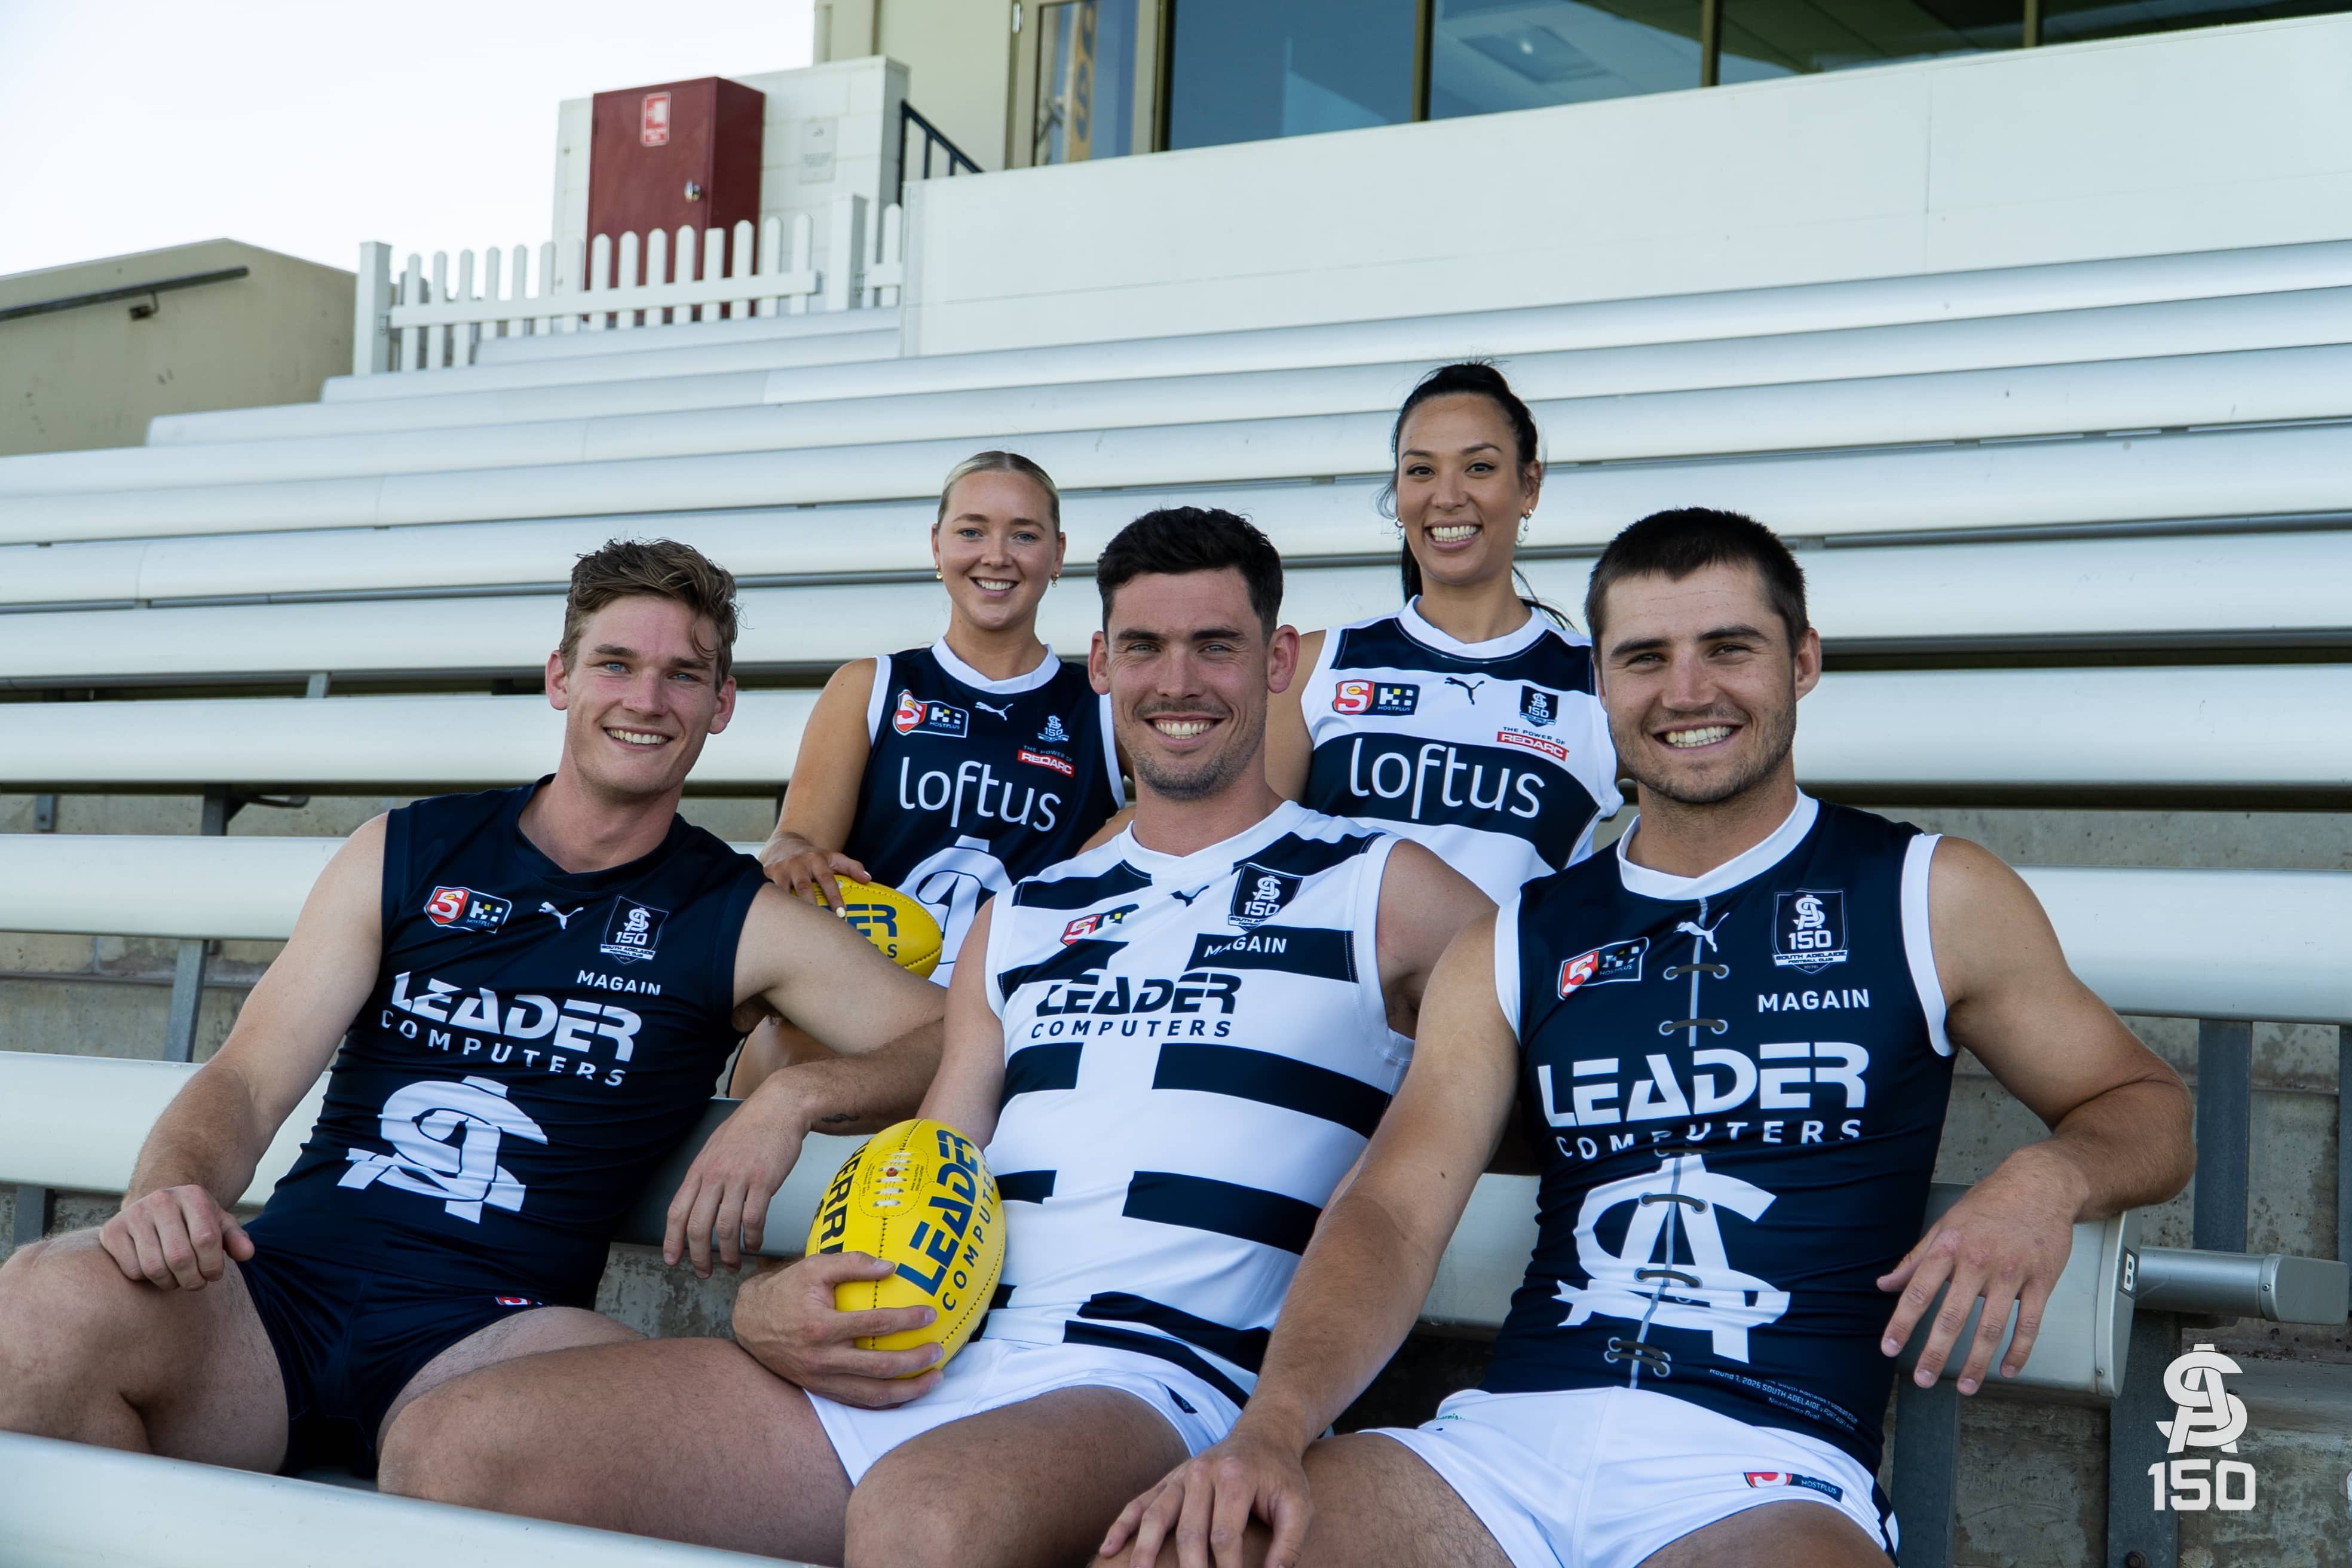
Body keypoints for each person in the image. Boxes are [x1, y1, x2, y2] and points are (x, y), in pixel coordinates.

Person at [376, 507, 1494, 1568]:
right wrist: (775, 1303)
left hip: (1158, 1379)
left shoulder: (1384, 888)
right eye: (1144, 647)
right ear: (1100, 665)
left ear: (1279, 660)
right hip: (932, 1350)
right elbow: (934, 1161)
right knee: (453, 1445)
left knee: (926, 1514)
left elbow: (1543, 1037)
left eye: (1217, 646)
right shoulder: (1026, 914)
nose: (1178, 681)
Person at [1098, 509, 2197, 1568]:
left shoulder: (1927, 891)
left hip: (1765, 1463)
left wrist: (2045, 1178)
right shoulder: (1518, 935)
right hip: (1504, 1445)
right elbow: (1391, 1208)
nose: (1687, 691)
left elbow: (2145, 1104)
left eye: (1729, 648)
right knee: (1188, 1549)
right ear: (1598, 682)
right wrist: (1271, 1428)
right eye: (1644, 658)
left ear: (1803, 660)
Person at [0, 540, 951, 1478]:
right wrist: (171, 1186)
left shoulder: (735, 914)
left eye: (683, 676)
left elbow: (955, 1032)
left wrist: (794, 1098)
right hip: (282, 1298)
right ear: (560, 679)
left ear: (721, 704)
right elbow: (248, 1080)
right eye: (615, 664)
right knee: (38, 1300)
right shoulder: (409, 849)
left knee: (457, 1445)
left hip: (496, 1331)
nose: (647, 699)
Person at [732, 449, 1123, 1094]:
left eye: (1024, 535)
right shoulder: (873, 686)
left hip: (1013, 1011)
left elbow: (1187, 810)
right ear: (937, 546)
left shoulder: (1103, 704)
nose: (996, 555)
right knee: (781, 1046)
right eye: (972, 531)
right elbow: (796, 840)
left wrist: (1113, 837)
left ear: (1057, 555)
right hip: (868, 1004)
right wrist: (789, 854)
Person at [1267, 362, 1621, 904]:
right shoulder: (1315, 668)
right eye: (1421, 470)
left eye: (1479, 467)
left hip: (1513, 963)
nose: (1448, 496)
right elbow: (1253, 859)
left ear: (1529, 486)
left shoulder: (1601, 681)